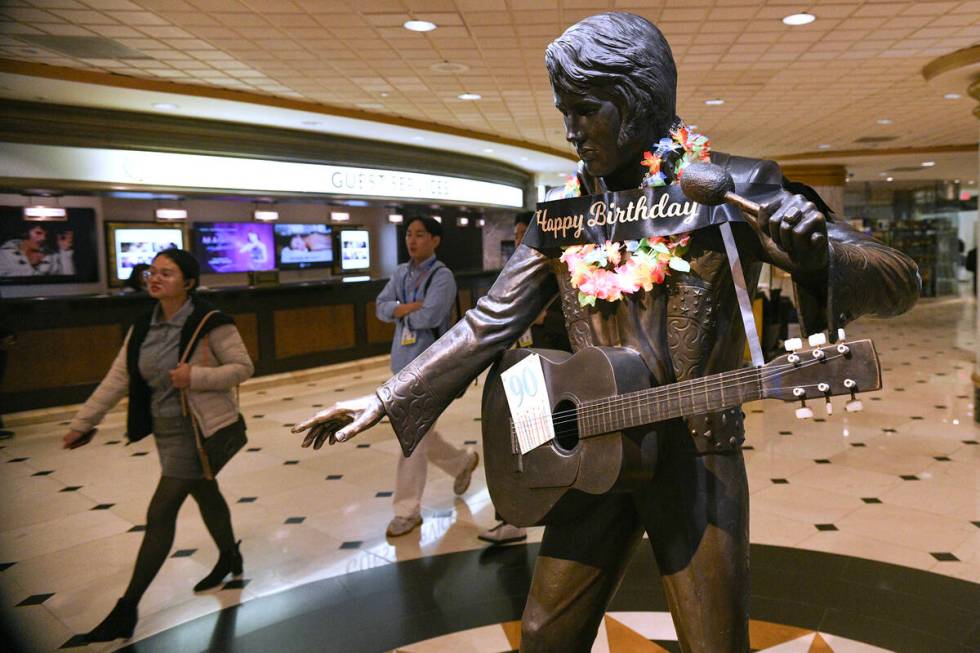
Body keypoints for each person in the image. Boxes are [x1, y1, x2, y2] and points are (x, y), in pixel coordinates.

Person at [293, 13, 920, 652]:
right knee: (543, 635)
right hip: (590, 449)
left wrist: (816, 254)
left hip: (693, 457)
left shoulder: (728, 187)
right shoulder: (567, 214)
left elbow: (898, 282)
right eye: (564, 110)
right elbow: (489, 321)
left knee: (713, 643)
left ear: (635, 101)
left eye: (585, 110)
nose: (571, 130)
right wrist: (387, 398)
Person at [63, 248, 253, 643]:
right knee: (204, 489)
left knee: (160, 512)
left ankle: (126, 609)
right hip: (166, 431)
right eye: (153, 272)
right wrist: (84, 423)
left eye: (167, 273)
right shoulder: (142, 326)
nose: (156, 278)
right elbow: (117, 380)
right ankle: (230, 556)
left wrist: (195, 376)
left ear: (188, 282)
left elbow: (243, 368)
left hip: (200, 429)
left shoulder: (209, 322)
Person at [372, 216, 479, 537]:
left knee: (413, 437)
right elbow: (380, 306)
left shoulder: (441, 276)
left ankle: (406, 510)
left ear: (435, 240)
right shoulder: (402, 273)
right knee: (420, 434)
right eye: (409, 234)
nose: (412, 240)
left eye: (420, 235)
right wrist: (406, 307)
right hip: (401, 366)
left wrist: (400, 309)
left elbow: (430, 316)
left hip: (431, 368)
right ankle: (461, 462)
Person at [0, 223, 74, 276]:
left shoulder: (51, 256)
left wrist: (64, 251)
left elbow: (69, 281)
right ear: (25, 233)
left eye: (46, 235)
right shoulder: (4, 255)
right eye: (38, 233)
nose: (43, 238)